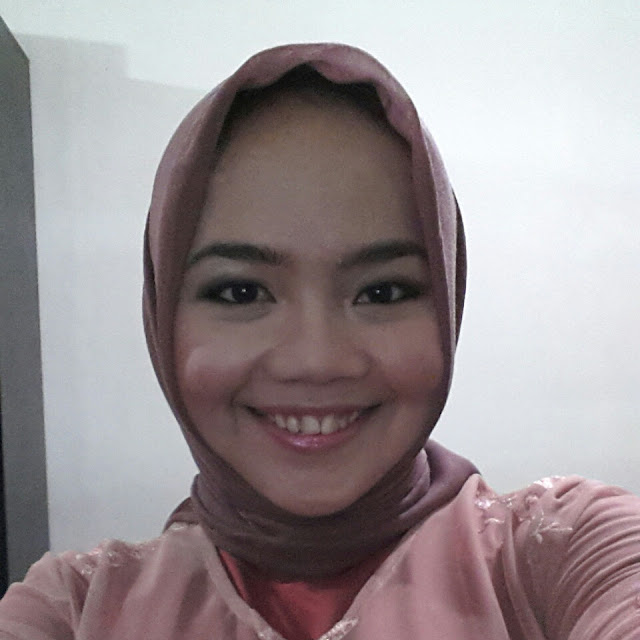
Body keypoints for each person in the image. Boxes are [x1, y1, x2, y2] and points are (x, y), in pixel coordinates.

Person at [1, 42, 639, 640]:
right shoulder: (74, 607)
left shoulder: (566, 549)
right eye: (241, 292)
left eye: (382, 291)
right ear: (164, 313)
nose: (317, 360)